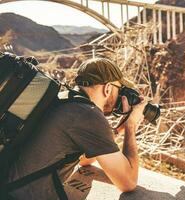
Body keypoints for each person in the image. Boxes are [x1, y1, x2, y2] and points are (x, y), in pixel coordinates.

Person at [7, 57, 147, 200]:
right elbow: (128, 183)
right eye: (119, 90)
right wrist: (131, 126)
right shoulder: (88, 115)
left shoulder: (66, 100)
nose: (120, 96)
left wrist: (118, 130)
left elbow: (84, 160)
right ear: (108, 88)